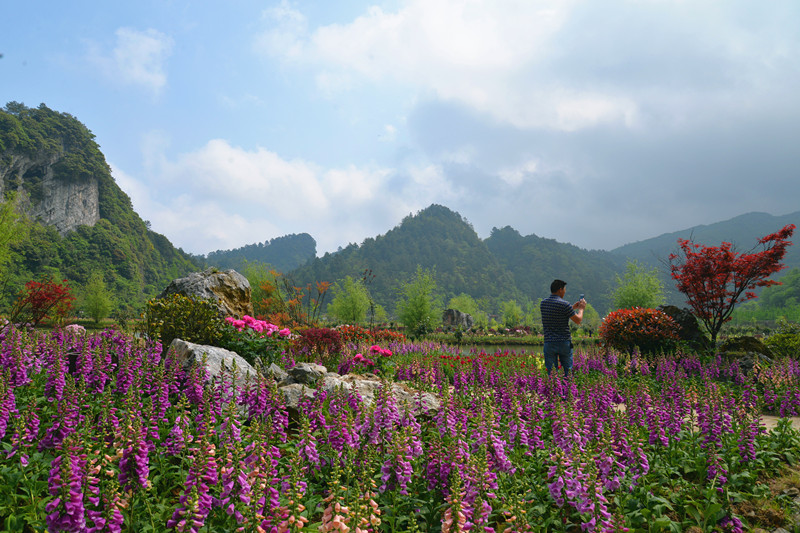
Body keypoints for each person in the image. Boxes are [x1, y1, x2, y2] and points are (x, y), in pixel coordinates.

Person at [540, 279, 586, 377]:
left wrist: (571, 308)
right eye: (564, 289)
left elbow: (555, 312)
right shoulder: (565, 305)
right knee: (568, 373)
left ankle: (555, 392)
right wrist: (581, 309)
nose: (565, 291)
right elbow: (578, 320)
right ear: (560, 289)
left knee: (552, 374)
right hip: (564, 342)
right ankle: (568, 391)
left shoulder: (543, 304)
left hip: (549, 342)